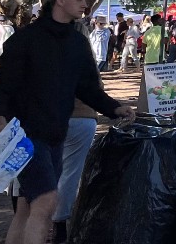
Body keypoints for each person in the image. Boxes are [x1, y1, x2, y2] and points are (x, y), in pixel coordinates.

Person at [0, 0, 136, 244]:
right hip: (24, 136)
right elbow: (1, 86)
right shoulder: (26, 39)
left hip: (56, 134)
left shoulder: (78, 43)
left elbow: (88, 89)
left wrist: (115, 108)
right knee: (46, 202)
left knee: (27, 207)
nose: (86, 5)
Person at [51, 101, 101, 244]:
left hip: (50, 118)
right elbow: (95, 89)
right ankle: (60, 223)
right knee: (71, 174)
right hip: (81, 116)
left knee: (52, 171)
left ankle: (48, 219)